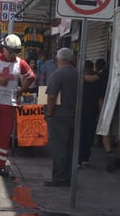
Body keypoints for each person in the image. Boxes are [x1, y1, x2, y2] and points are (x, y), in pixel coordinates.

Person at [0, 34, 35, 177]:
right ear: (4, 49)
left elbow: (31, 76)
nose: (12, 55)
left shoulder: (20, 63)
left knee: (4, 136)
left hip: (9, 104)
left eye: (16, 52)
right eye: (11, 52)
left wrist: (21, 91)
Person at [44, 48, 78, 187]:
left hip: (59, 116)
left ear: (57, 60)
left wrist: (49, 113)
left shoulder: (56, 74)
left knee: (59, 149)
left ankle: (59, 177)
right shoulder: (77, 73)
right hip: (74, 115)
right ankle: (68, 177)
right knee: (70, 149)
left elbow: (51, 97)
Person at [85, 58, 120, 172]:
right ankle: (118, 158)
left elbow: (93, 79)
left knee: (105, 128)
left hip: (107, 102)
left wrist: (78, 76)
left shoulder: (108, 70)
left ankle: (109, 152)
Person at [78, 60, 99, 168]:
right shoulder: (97, 79)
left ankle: (80, 158)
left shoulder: (79, 79)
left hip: (82, 111)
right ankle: (85, 157)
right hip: (92, 112)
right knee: (88, 136)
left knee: (81, 136)